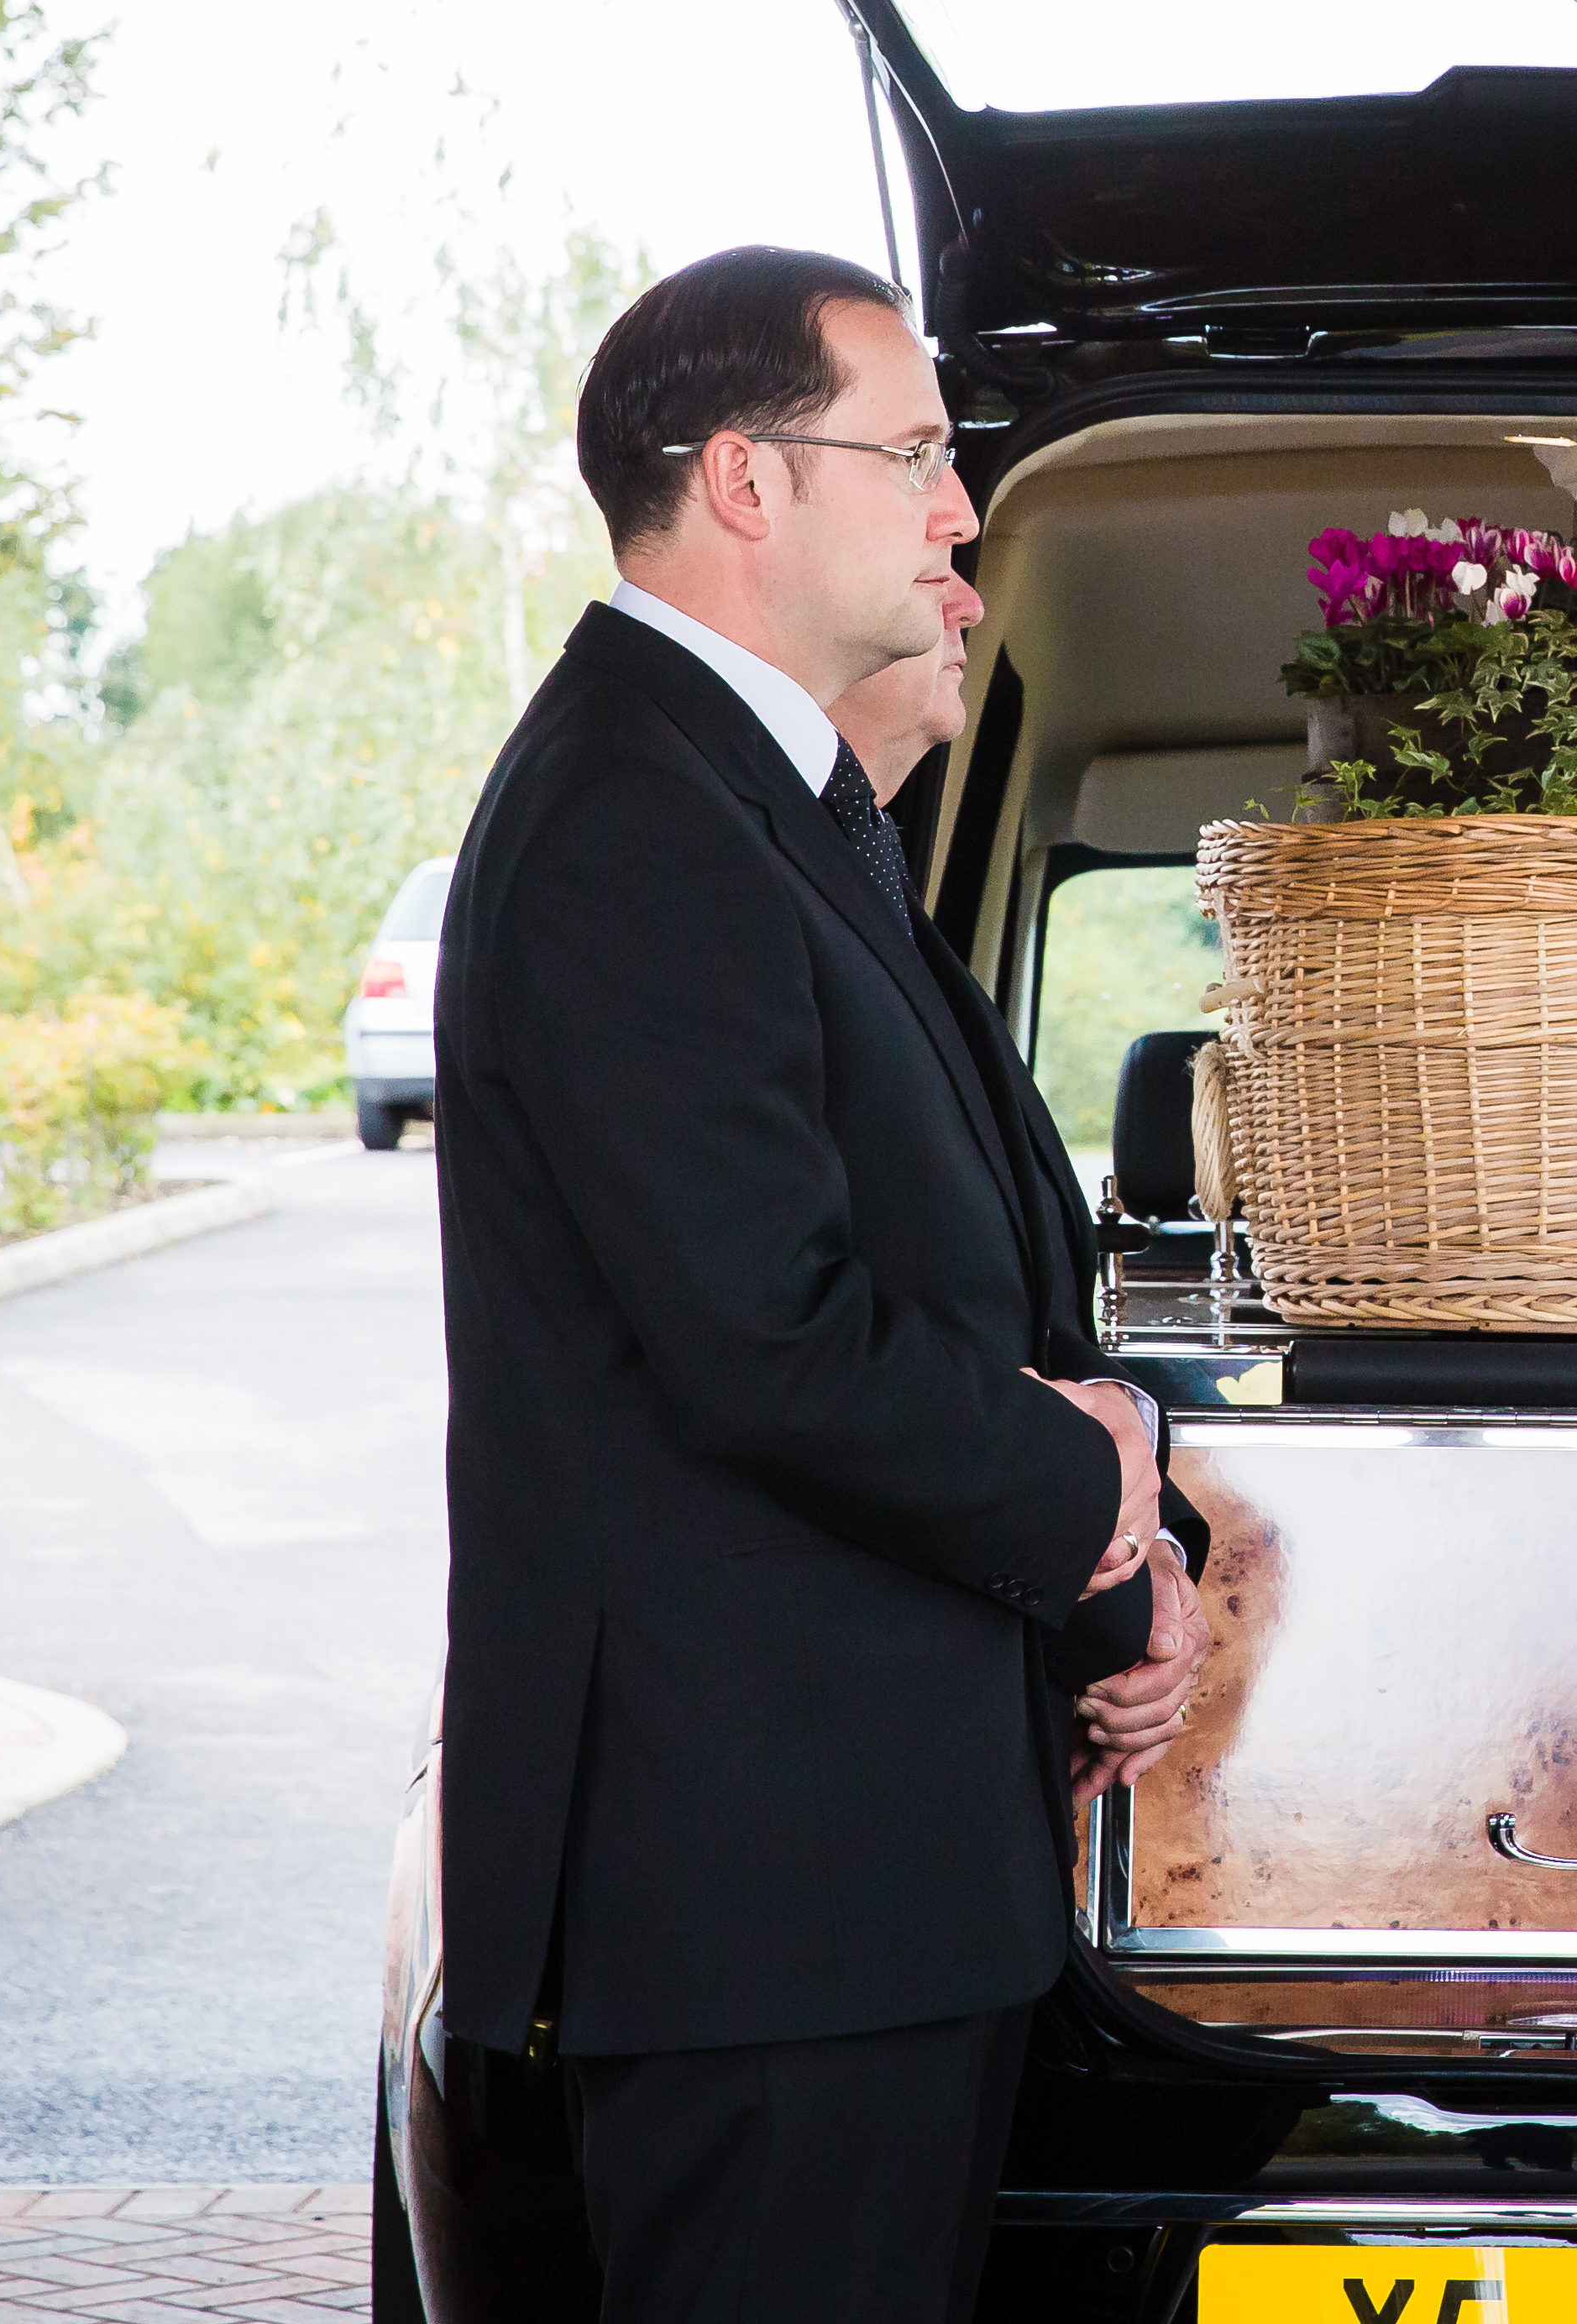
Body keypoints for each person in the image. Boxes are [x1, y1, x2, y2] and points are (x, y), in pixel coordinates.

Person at [436, 246, 1197, 2323]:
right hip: (756, 1908)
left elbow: (970, 1304)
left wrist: (1128, 1561)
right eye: (922, 454)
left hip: (847, 1898)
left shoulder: (758, 810)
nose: (961, 512)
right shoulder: (633, 818)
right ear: (744, 481)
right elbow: (768, 1340)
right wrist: (1098, 1504)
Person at [830, 572, 1211, 1797]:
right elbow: (818, 1357)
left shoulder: (896, 923)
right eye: (919, 596)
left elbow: (1045, 1349)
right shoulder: (801, 912)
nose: (967, 607)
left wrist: (1154, 1555)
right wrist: (1123, 1581)